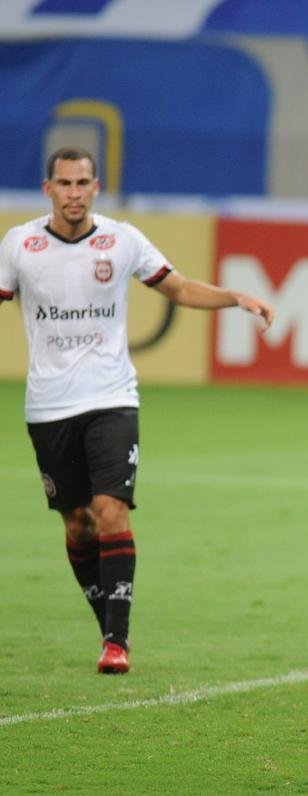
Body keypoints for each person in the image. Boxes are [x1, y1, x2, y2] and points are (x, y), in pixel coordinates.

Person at [0, 147, 274, 674]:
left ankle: (116, 643)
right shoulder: (21, 244)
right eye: (65, 183)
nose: (74, 193)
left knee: (110, 511)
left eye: (83, 183)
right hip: (48, 404)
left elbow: (180, 287)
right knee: (78, 523)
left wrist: (235, 297)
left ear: (96, 187)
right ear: (48, 189)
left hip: (112, 397)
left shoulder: (121, 240)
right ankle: (107, 622)